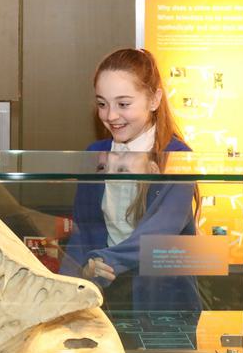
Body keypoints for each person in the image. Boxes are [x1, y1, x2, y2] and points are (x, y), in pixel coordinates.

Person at [60, 48, 202, 319]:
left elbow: (160, 231)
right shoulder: (94, 154)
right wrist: (70, 285)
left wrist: (104, 260)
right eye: (102, 104)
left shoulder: (178, 157)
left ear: (154, 99)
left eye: (123, 104)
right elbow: (83, 229)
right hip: (103, 302)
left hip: (164, 304)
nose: (111, 115)